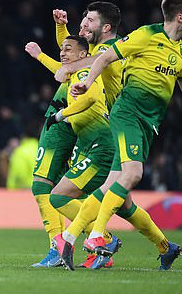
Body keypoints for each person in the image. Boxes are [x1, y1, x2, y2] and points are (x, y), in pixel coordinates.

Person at [70, 0, 182, 270]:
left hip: (150, 123)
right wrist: (87, 83)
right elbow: (106, 56)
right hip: (126, 113)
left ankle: (165, 247)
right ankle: (91, 237)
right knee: (132, 174)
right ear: (180, 16)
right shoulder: (146, 35)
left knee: (118, 193)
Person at [31, 36, 121, 271]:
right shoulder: (82, 67)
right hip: (79, 132)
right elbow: (64, 64)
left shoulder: (88, 67)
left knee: (42, 186)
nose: (62, 52)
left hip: (63, 128)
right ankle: (100, 240)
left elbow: (75, 73)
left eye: (87, 22)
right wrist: (42, 53)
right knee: (71, 193)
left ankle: (65, 246)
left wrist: (60, 115)